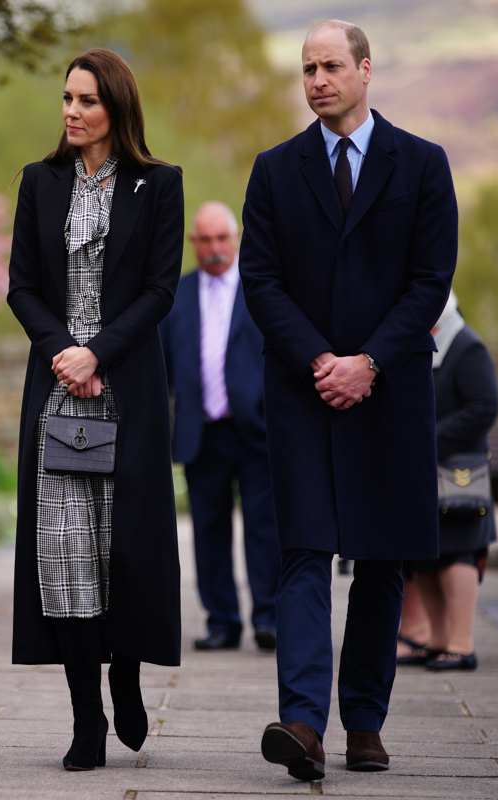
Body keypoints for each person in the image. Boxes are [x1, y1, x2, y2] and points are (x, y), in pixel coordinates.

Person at [239, 19, 458, 781]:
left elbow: (430, 281)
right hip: (302, 392)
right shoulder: (273, 171)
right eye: (307, 69)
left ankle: (364, 721)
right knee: (301, 549)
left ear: (367, 69)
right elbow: (260, 281)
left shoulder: (423, 165)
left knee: (382, 559)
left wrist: (367, 361)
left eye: (332, 65)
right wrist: (321, 361)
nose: (318, 80)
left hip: (390, 391)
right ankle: (302, 723)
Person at [7, 49, 184, 772]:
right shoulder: (38, 182)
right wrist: (63, 352)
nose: (72, 111)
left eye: (87, 100)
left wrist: (99, 353)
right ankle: (87, 720)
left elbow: (160, 289)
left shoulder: (159, 184)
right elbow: (20, 285)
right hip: (57, 392)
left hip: (128, 392)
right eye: (67, 98)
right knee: (65, 554)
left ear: (117, 107)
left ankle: (128, 673)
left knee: (127, 551)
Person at [160, 201, 281, 652]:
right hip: (200, 431)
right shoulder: (175, 295)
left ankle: (268, 617)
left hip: (255, 431)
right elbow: (162, 366)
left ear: (236, 238)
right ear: (193, 243)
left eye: (221, 238)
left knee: (264, 528)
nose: (213, 248)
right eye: (204, 240)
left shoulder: (262, 289)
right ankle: (221, 622)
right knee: (208, 530)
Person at [397, 292, 498, 671]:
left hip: (458, 472)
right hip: (426, 469)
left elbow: (484, 406)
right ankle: (439, 640)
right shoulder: (431, 344)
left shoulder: (466, 345)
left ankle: (462, 642)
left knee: (459, 553)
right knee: (428, 556)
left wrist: (430, 439)